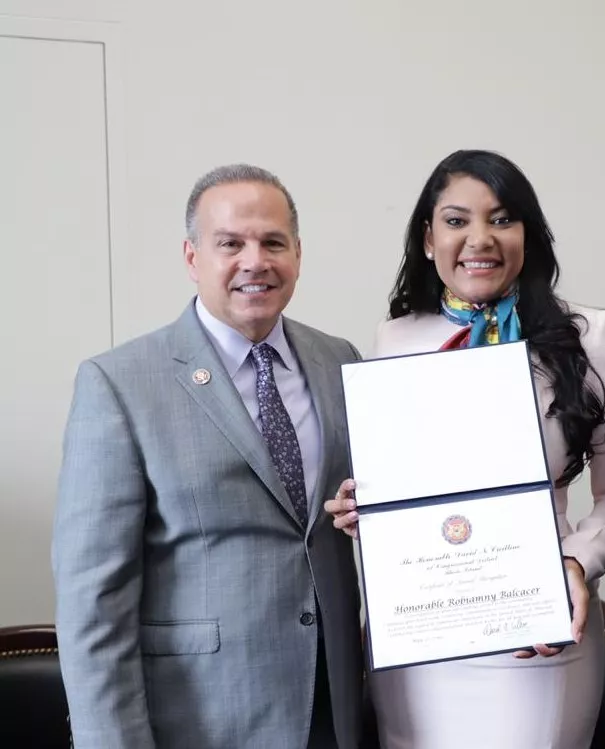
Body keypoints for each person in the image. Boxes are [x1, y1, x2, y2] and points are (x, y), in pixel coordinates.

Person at [52, 164, 374, 748]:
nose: (256, 260)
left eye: (273, 242)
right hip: (201, 720)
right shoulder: (119, 384)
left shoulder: (340, 361)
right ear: (192, 256)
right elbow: (92, 605)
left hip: (334, 711)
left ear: (298, 255)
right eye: (231, 243)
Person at [325, 149, 605, 748]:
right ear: (427, 238)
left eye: (502, 218)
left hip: (537, 629)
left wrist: (574, 565)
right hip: (420, 643)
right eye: (457, 220)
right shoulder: (394, 339)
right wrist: (364, 507)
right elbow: (407, 493)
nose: (480, 239)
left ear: (528, 234)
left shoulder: (592, 338)